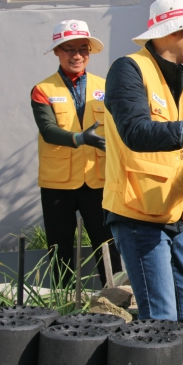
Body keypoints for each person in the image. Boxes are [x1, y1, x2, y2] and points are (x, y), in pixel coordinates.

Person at [103, 0, 183, 328]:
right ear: (176, 31)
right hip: (138, 212)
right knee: (161, 316)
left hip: (176, 212)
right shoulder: (127, 70)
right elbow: (137, 132)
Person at [31, 20, 123, 285]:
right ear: (57, 52)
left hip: (99, 180)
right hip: (57, 183)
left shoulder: (106, 87)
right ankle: (64, 301)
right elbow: (48, 130)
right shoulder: (43, 90)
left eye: (83, 49)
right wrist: (80, 138)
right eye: (69, 49)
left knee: (107, 245)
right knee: (59, 248)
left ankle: (114, 300)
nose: (77, 55)